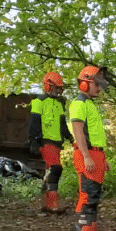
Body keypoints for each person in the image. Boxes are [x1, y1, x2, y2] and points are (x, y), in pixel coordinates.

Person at [70, 65, 111, 231]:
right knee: (86, 196)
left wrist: (102, 158)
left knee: (94, 196)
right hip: (87, 155)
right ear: (85, 84)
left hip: (96, 154)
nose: (99, 88)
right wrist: (87, 156)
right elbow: (79, 133)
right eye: (96, 84)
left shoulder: (89, 104)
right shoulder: (78, 104)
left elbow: (93, 134)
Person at [28, 72, 74, 214]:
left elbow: (62, 125)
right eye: (56, 88)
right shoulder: (39, 102)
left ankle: (45, 204)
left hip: (56, 143)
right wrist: (34, 142)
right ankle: (53, 204)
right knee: (55, 169)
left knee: (49, 171)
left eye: (60, 88)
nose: (59, 91)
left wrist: (71, 139)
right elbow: (34, 124)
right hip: (45, 141)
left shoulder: (59, 104)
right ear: (48, 87)